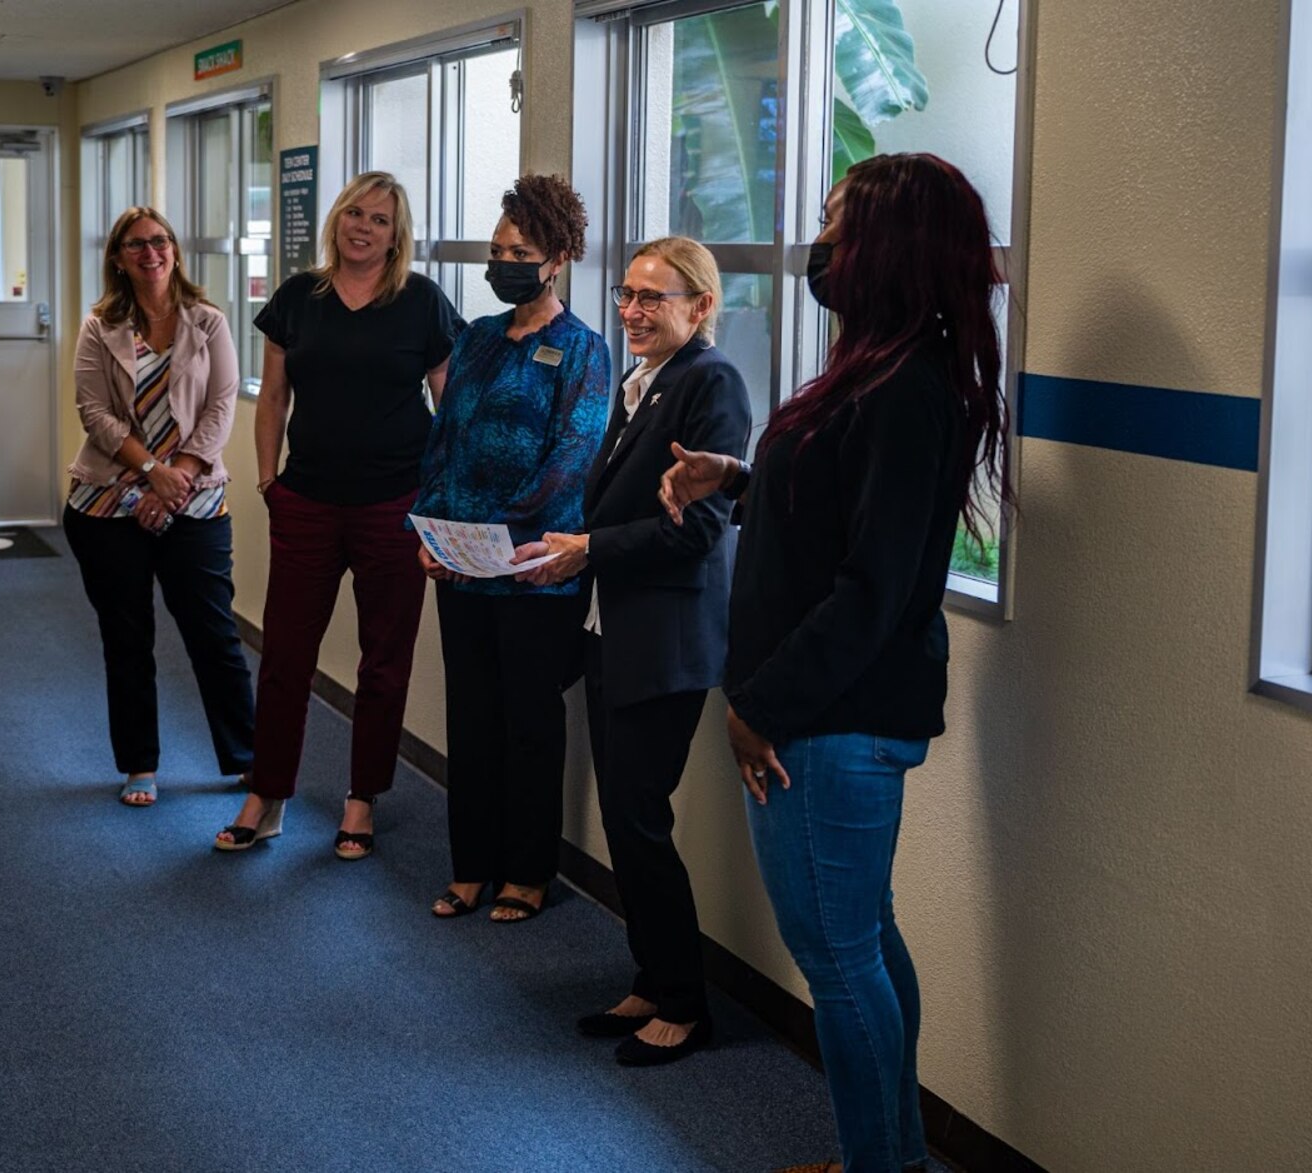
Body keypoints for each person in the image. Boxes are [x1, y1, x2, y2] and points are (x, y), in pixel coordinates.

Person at [658, 154, 1008, 1173]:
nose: (817, 247)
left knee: (838, 962)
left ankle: (880, 1166)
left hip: (827, 721)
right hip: (831, 715)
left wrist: (756, 706)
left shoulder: (904, 386)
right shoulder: (881, 366)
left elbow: (874, 586)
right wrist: (739, 474)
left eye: (832, 225)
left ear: (885, 249)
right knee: (862, 942)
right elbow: (843, 510)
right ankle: (883, 1157)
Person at [515, 236, 752, 1059]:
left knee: (640, 819)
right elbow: (619, 507)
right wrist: (570, 547)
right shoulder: (644, 382)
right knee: (623, 816)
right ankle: (652, 977)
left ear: (701, 306)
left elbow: (699, 530)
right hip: (611, 632)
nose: (632, 312)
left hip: (666, 642)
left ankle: (685, 1002)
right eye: (627, 294)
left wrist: (590, 550)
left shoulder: (711, 381)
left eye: (654, 298)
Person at [216, 171, 463, 856]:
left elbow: (451, 412)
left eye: (380, 219)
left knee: (383, 661)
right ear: (336, 219)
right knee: (285, 656)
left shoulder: (421, 302)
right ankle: (266, 794)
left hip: (394, 506)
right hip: (308, 502)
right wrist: (269, 479)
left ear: (397, 234)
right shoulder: (299, 297)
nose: (363, 226)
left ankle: (362, 798)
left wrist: (439, 503)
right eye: (355, 212)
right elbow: (272, 396)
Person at [413, 175, 609, 923]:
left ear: (556, 258)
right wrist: (431, 529)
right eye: (497, 250)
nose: (505, 263)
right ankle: (471, 865)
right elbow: (445, 436)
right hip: (459, 565)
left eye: (520, 251)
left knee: (529, 720)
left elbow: (572, 457)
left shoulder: (583, 350)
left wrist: (498, 535)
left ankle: (527, 870)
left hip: (532, 569)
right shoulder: (480, 339)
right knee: (470, 716)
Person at [63, 207, 256, 806]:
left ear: (174, 250)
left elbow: (221, 407)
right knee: (127, 636)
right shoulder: (100, 326)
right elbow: (94, 413)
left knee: (214, 633)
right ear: (118, 257)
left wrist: (179, 479)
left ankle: (248, 757)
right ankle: (139, 764)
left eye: (161, 241)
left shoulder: (209, 321)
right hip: (107, 503)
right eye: (137, 244)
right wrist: (151, 474)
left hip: (194, 499)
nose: (152, 252)